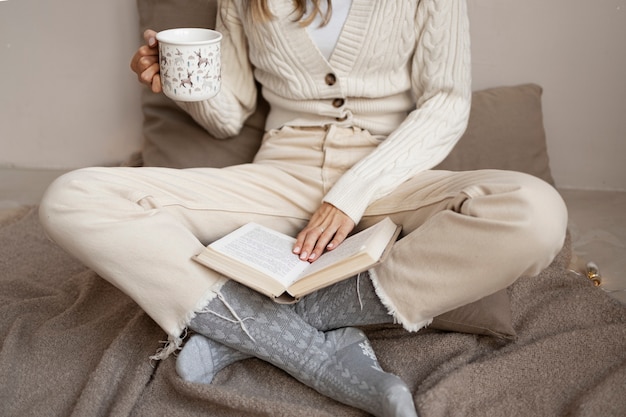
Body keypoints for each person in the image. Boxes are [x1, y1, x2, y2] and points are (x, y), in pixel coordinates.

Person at [38, 1, 568, 416]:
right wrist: (177, 80)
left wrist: (351, 193)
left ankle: (257, 326)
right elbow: (229, 115)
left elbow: (447, 101)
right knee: (73, 197)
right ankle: (303, 348)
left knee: (535, 212)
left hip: (390, 176)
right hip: (279, 177)